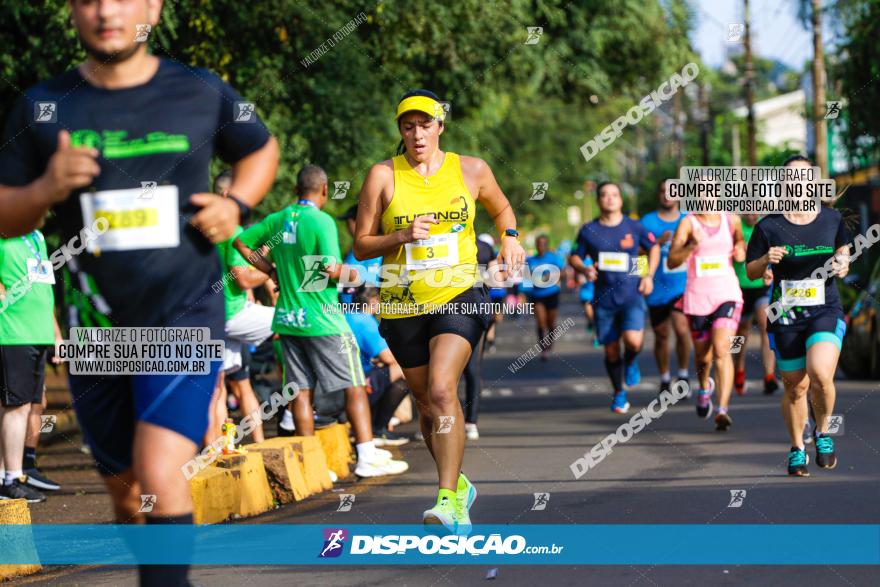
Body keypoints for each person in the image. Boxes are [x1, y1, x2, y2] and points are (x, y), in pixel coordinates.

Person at [0, 2, 280, 584]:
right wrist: (48, 187)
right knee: (128, 497)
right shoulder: (44, 104)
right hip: (96, 326)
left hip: (183, 313)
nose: (107, 11)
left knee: (159, 473)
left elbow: (260, 147)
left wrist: (236, 205)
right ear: (73, 11)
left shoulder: (200, 90)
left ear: (152, 7)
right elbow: (5, 213)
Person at [354, 89, 525, 533]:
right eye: (408, 126)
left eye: (425, 124)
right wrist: (401, 236)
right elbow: (360, 244)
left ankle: (448, 500)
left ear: (440, 127)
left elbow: (502, 205)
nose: (417, 134)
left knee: (443, 388)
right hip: (402, 301)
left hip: (460, 293)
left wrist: (509, 234)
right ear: (401, 131)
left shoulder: (471, 169)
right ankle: (458, 484)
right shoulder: (381, 176)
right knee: (429, 405)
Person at [235, 165, 408, 478]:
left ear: (297, 189)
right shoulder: (322, 221)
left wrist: (271, 270)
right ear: (324, 190)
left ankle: (312, 466)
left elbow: (241, 244)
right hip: (324, 319)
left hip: (288, 319)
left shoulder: (277, 220)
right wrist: (354, 275)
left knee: (300, 391)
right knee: (354, 384)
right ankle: (367, 456)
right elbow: (330, 269)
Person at [745, 155, 849, 476]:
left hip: (825, 309)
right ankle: (796, 446)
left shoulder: (831, 219)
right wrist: (765, 259)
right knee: (795, 388)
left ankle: (823, 433)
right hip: (786, 314)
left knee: (820, 374)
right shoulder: (768, 225)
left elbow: (843, 253)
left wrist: (844, 263)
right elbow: (751, 271)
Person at [570, 182, 659, 414]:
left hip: (632, 295)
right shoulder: (589, 230)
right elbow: (574, 257)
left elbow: (653, 248)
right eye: (605, 195)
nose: (610, 199)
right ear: (599, 201)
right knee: (610, 350)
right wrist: (585, 270)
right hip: (604, 298)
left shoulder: (634, 226)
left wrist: (647, 275)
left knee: (634, 342)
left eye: (614, 195)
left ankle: (631, 361)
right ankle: (619, 393)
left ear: (621, 199)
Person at [211, 169, 274, 444]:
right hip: (233, 314)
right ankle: (279, 430)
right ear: (226, 195)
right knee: (297, 320)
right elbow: (243, 278)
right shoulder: (232, 229)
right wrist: (274, 272)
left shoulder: (200, 226)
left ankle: (220, 450)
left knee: (219, 389)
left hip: (210, 319)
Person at [668, 206, 745, 431]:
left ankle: (722, 410)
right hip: (697, 298)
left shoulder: (732, 220)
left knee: (722, 349)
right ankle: (704, 388)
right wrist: (691, 245)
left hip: (727, 294)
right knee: (703, 358)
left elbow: (740, 243)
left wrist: (741, 249)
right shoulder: (688, 223)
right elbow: (672, 261)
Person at [0, 229, 56, 503]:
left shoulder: (37, 236)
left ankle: (10, 475)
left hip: (39, 332)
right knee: (15, 406)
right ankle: (11, 477)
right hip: (12, 331)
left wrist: (55, 333)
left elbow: (44, 286)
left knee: (28, 404)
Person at [640, 180, 691, 396]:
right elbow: (638, 256)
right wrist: (656, 245)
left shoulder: (688, 220)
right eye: (662, 191)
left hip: (683, 285)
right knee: (661, 335)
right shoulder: (647, 222)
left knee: (681, 330)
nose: (666, 195)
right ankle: (664, 378)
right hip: (657, 287)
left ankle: (683, 374)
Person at [345, 287, 410, 446]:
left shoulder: (348, 316)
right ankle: (378, 428)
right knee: (403, 372)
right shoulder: (366, 321)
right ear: (373, 301)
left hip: (343, 381)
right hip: (357, 384)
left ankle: (373, 423)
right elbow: (389, 358)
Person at [733, 213, 779, 396]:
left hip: (760, 286)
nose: (753, 216)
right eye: (749, 211)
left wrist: (769, 270)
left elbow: (775, 253)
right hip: (738, 286)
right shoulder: (735, 225)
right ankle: (738, 367)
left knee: (766, 324)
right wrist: (734, 252)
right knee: (740, 333)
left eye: (756, 212)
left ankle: (769, 375)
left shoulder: (765, 226)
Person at [460, 234, 497, 440]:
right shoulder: (483, 247)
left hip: (472, 311)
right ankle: (464, 422)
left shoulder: (482, 247)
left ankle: (470, 421)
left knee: (470, 369)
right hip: (448, 311)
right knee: (459, 371)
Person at [526, 235, 565, 362]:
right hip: (537, 295)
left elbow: (564, 272)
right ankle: (544, 348)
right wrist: (523, 293)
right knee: (541, 322)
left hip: (552, 293)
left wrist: (553, 275)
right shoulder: (531, 260)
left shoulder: (553, 258)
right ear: (536, 245)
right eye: (539, 244)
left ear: (547, 245)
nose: (541, 246)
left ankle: (550, 341)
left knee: (550, 323)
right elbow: (526, 279)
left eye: (543, 244)